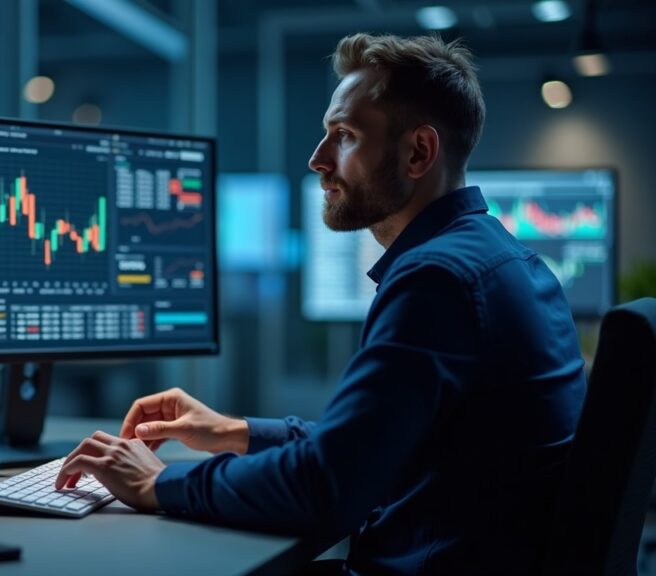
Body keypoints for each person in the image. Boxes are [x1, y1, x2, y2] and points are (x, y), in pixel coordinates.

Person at [54, 32, 586, 574]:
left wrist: (158, 482)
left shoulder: (438, 280)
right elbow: (370, 444)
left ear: (418, 152)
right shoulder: (504, 259)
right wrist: (234, 432)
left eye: (345, 136)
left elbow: (325, 486)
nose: (317, 159)